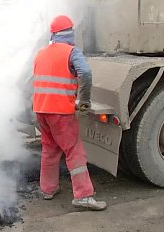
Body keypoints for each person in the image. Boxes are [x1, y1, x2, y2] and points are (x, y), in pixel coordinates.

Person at [32, 15, 106, 211]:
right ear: (70, 32)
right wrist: (85, 100)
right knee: (74, 151)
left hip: (41, 110)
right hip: (60, 112)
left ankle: (48, 189)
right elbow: (86, 73)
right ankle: (83, 195)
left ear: (53, 34)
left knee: (50, 149)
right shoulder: (72, 52)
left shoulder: (41, 52)